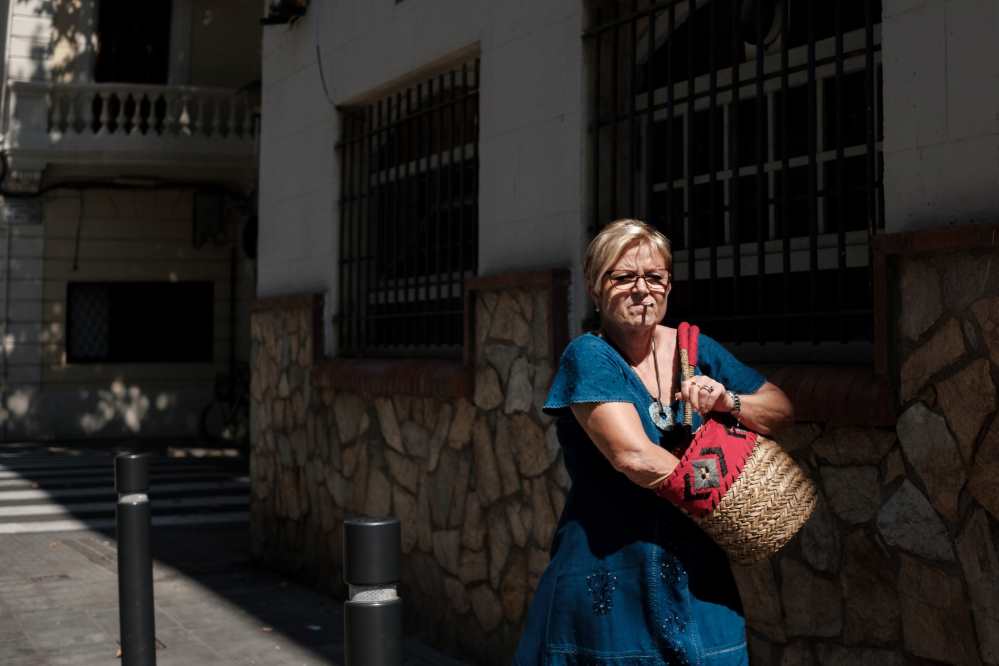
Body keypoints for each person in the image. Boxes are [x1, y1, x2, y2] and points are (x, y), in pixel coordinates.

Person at [513, 219, 793, 665]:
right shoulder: (589, 356)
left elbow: (778, 408)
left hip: (697, 574)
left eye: (654, 277)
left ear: (668, 284)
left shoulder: (695, 348)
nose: (641, 289)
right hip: (611, 575)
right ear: (594, 286)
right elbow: (633, 455)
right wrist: (724, 498)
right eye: (623, 277)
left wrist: (727, 399)